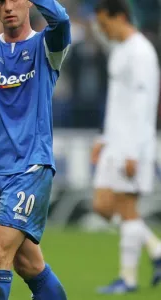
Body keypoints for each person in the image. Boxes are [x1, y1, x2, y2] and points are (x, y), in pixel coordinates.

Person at [0, 0, 71, 299]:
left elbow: (61, 22)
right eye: (1, 1)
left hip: (31, 167)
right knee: (28, 264)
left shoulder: (47, 47)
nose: (8, 7)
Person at [91, 0, 161, 294]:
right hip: (115, 141)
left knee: (128, 208)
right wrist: (104, 139)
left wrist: (134, 151)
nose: (103, 31)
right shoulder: (119, 52)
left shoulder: (141, 52)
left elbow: (144, 106)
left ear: (119, 17)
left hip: (135, 143)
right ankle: (156, 249)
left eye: (105, 24)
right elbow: (117, 102)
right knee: (103, 205)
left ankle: (128, 279)